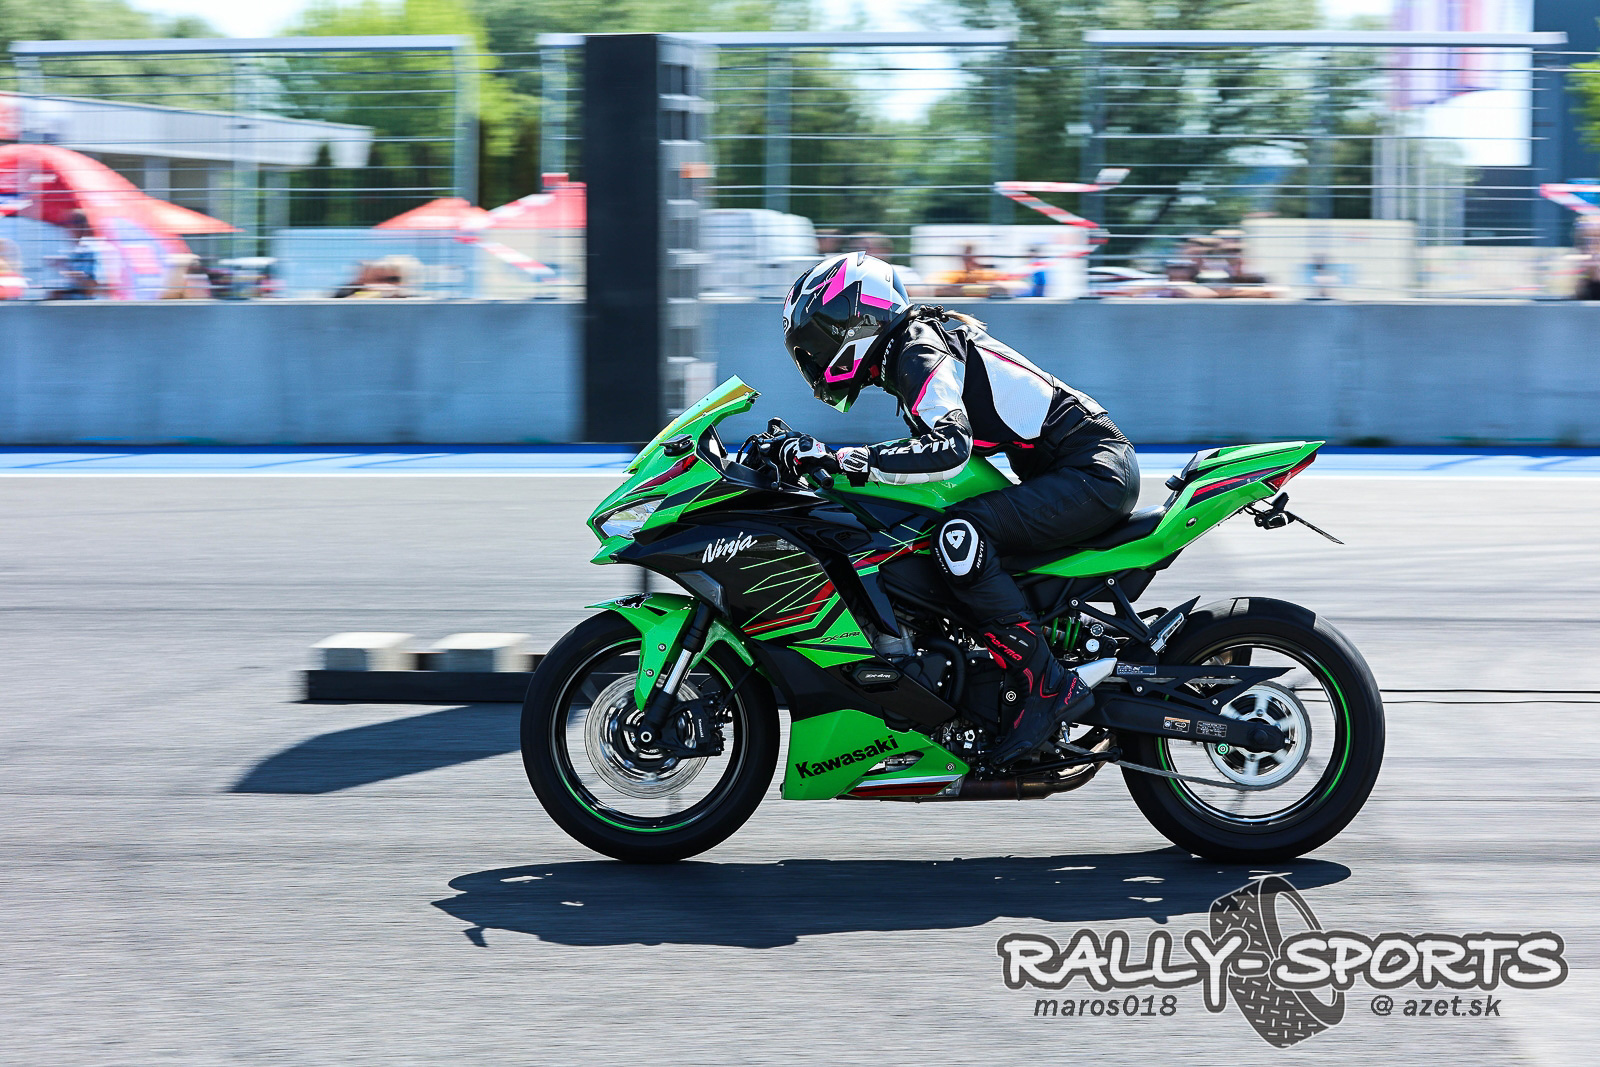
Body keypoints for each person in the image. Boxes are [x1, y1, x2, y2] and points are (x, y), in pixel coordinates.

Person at [781, 252, 1140, 768]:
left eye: (817, 340)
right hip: (1074, 472)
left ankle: (1044, 686)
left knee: (960, 535)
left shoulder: (918, 350)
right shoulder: (907, 352)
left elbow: (949, 446)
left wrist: (845, 460)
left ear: (856, 318)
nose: (814, 357)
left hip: (1093, 472)